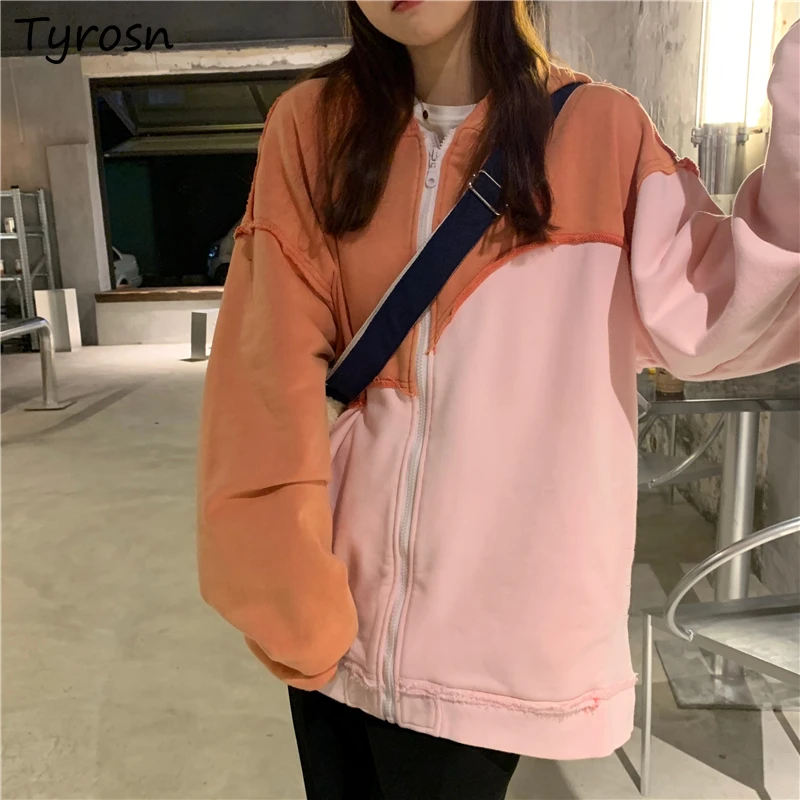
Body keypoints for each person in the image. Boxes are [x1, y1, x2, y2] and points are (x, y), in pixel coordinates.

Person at [197, 2, 800, 797]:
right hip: (338, 613)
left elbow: (717, 315)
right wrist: (284, 580)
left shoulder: (600, 131)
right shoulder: (312, 129)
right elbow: (260, 374)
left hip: (499, 646)